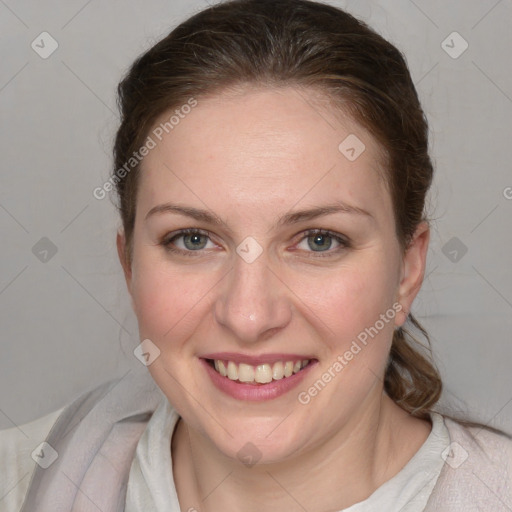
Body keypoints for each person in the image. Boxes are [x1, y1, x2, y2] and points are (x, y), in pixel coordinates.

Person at [2, 0, 511, 510]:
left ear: (407, 271)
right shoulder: (24, 479)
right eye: (193, 239)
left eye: (318, 240)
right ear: (130, 266)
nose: (249, 316)